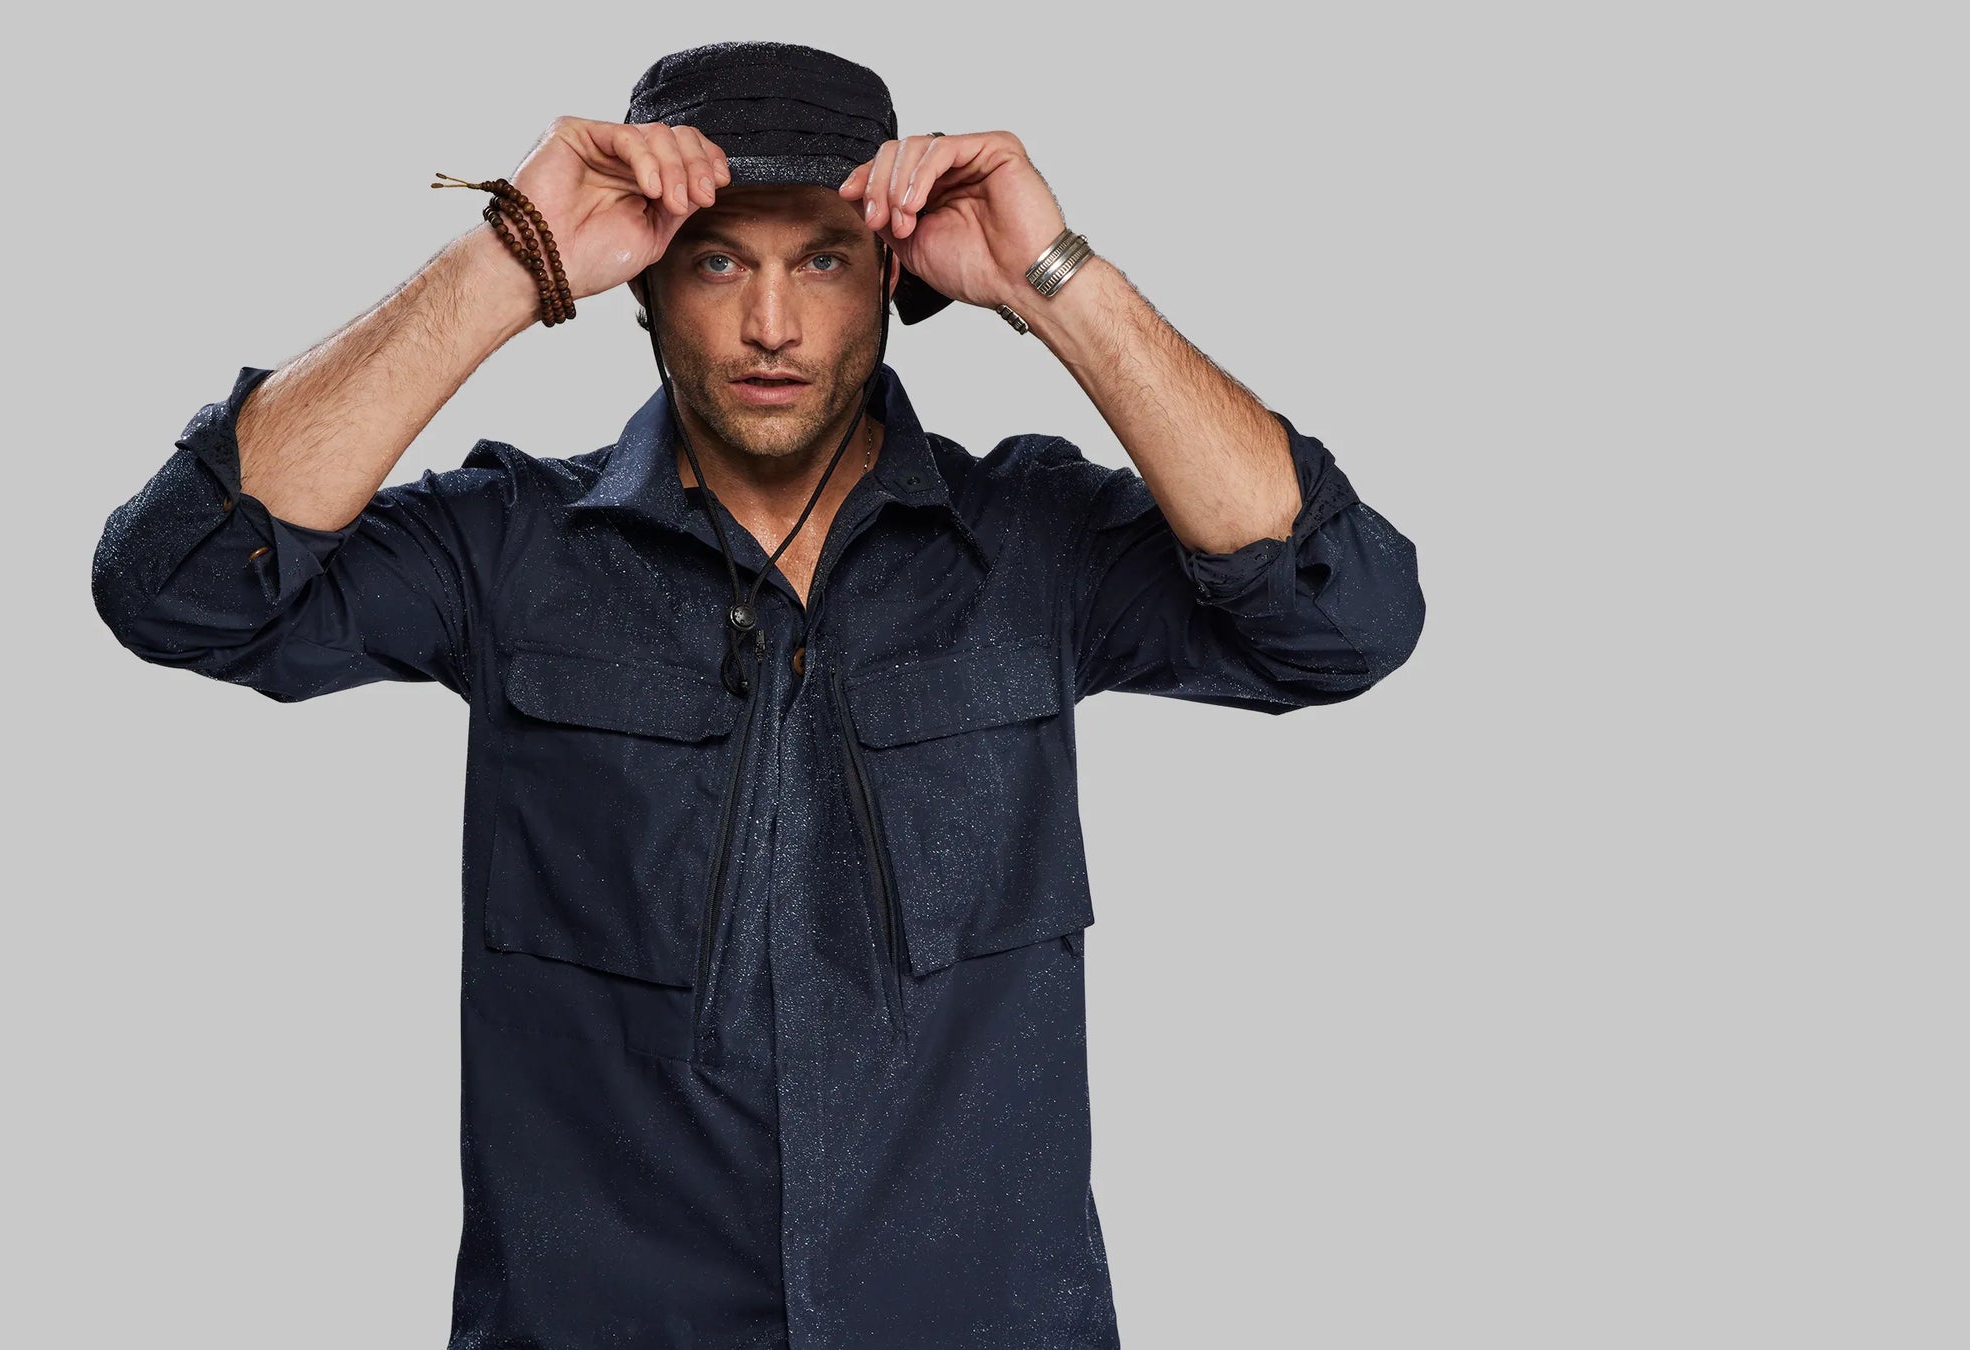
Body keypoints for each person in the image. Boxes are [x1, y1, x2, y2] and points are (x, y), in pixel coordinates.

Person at [92, 39, 1424, 1350]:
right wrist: (507, 258)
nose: (772, 326)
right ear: (644, 280)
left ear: (892, 272)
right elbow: (179, 584)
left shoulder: (1033, 543)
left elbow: (1345, 615)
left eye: (824, 261)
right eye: (719, 260)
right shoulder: (510, 549)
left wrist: (1054, 279)